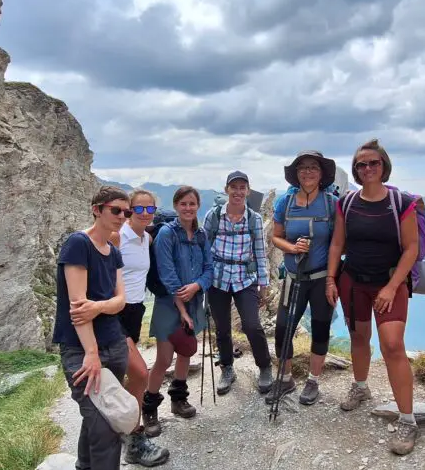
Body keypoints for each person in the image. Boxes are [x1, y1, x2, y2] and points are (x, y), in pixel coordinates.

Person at [326, 139, 422, 456]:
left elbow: (411, 248)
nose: (367, 168)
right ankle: (361, 386)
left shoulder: (401, 202)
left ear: (384, 166)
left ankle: (407, 420)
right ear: (355, 170)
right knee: (359, 337)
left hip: (389, 282)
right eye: (361, 164)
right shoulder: (347, 203)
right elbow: (337, 244)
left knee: (392, 345)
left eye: (373, 163)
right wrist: (331, 279)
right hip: (353, 281)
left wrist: (392, 287)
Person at [55, 185, 133, 470]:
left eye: (127, 212)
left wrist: (99, 306)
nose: (122, 217)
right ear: (96, 209)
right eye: (116, 210)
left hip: (114, 344)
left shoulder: (112, 251)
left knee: (99, 416)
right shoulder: (78, 245)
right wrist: (91, 353)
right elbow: (78, 309)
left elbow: (120, 301)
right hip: (82, 349)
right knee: (104, 423)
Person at [269, 151, 339, 405]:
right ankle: (286, 379)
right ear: (296, 174)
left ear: (321, 174)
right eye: (302, 168)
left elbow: (338, 242)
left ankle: (313, 381)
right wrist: (292, 248)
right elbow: (276, 236)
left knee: (320, 329)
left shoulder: (332, 204)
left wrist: (332, 279)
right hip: (293, 277)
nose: (307, 172)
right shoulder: (285, 203)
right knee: (282, 329)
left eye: (313, 167)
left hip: (321, 278)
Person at [143, 185, 213, 433]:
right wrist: (182, 309)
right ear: (175, 206)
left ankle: (178, 400)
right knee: (164, 359)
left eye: (192, 204)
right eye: (183, 204)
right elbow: (167, 274)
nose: (188, 208)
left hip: (193, 300)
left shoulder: (201, 235)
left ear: (198, 206)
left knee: (185, 351)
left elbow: (209, 268)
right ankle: (149, 408)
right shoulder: (167, 234)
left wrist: (197, 285)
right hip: (169, 304)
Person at [109, 188, 170, 466]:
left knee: (124, 375)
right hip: (114, 314)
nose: (145, 213)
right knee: (139, 373)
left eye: (150, 209)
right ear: (129, 210)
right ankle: (134, 440)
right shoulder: (117, 236)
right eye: (139, 208)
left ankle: (121, 430)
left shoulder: (147, 238)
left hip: (136, 311)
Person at [203, 170, 274, 396]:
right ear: (226, 190)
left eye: (242, 188)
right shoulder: (214, 216)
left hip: (245, 278)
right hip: (218, 278)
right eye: (234, 187)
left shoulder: (254, 219)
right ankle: (227, 368)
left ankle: (265, 367)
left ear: (248, 191)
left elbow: (260, 252)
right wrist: (202, 278)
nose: (238, 192)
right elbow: (204, 248)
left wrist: (264, 283)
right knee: (222, 328)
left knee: (252, 325)